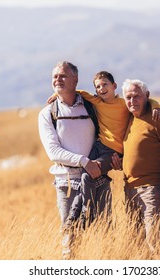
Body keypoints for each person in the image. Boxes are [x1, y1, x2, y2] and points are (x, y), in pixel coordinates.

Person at [48, 71, 160, 228]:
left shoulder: (125, 104)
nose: (101, 89)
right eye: (98, 87)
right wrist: (57, 95)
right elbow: (77, 93)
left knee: (87, 176)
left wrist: (156, 107)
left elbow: (148, 101)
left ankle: (86, 213)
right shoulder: (97, 102)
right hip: (98, 147)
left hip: (112, 152)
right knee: (84, 175)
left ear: (114, 86)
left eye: (105, 85)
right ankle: (75, 214)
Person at [38, 61, 111, 259]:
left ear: (75, 79)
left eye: (63, 76)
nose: (57, 79)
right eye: (55, 76)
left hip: (98, 179)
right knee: (70, 238)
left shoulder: (92, 107)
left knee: (105, 234)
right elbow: (53, 152)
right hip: (67, 183)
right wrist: (84, 161)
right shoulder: (47, 114)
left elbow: (115, 121)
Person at [111, 78, 160, 255]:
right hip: (129, 190)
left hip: (151, 189)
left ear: (147, 96)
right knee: (136, 244)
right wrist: (121, 163)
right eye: (128, 97)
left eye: (137, 96)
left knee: (154, 241)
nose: (132, 101)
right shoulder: (129, 119)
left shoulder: (158, 117)